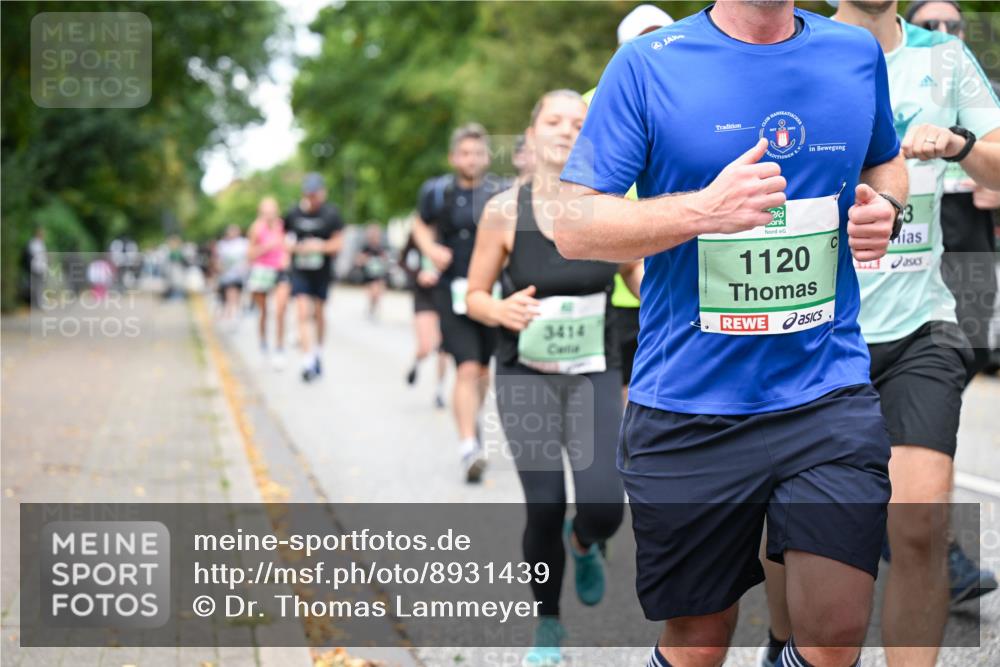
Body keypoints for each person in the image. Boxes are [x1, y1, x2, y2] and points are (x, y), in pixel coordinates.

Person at [555, 2, 908, 666]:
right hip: (690, 402)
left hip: (824, 388)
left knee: (834, 633)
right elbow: (572, 225)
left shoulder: (853, 54)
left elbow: (884, 163)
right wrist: (703, 210)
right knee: (699, 637)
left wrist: (883, 206)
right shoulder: (648, 65)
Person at [756, 3, 1000, 666]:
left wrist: (960, 144)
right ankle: (784, 642)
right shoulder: (790, 45)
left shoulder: (944, 58)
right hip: (808, 329)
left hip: (919, 325)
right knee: (794, 529)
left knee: (919, 523)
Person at [467, 89, 642, 667]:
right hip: (525, 375)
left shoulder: (607, 205)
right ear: (533, 133)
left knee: (604, 505)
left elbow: (638, 272)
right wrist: (501, 310)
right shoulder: (502, 211)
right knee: (543, 503)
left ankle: (584, 541)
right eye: (554, 120)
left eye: (579, 122)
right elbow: (471, 296)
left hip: (595, 369)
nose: (566, 130)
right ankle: (548, 625)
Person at [582, 4, 673, 405]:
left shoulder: (689, 98)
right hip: (616, 277)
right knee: (626, 386)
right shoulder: (590, 104)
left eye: (660, 38)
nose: (654, 49)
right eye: (643, 40)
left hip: (675, 267)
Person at [411, 124, 505, 482]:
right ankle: (468, 447)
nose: (472, 159)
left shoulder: (500, 192)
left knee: (483, 370)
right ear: (454, 157)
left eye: (478, 153)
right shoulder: (437, 193)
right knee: (465, 367)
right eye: (465, 153)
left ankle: (472, 423)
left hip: (492, 294)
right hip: (451, 293)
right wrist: (430, 249)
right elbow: (419, 225)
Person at [285, 173, 346, 382]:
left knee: (319, 314)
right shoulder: (293, 213)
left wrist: (320, 246)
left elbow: (339, 244)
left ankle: (318, 350)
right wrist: (297, 248)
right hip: (301, 271)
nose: (313, 199)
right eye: (309, 194)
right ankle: (307, 360)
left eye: (316, 194)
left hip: (322, 272)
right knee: (302, 313)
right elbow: (284, 241)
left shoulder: (331, 214)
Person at [401, 227, 448, 409]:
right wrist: (418, 275)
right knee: (426, 346)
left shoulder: (449, 229)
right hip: (423, 297)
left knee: (443, 347)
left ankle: (439, 390)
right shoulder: (417, 235)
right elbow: (403, 260)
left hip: (444, 295)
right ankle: (417, 362)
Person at [247, 196, 291, 367]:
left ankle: (280, 348)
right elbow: (249, 254)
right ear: (261, 212)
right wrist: (267, 247)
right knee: (264, 311)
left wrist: (286, 257)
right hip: (262, 272)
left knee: (280, 310)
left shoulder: (283, 226)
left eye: (272, 211)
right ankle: (263, 342)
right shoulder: (256, 228)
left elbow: (288, 246)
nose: (269, 215)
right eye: (266, 212)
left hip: (279, 271)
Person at [215, 224, 249, 328]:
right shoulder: (222, 244)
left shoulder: (243, 243)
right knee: (230, 292)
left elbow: (248, 257)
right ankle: (232, 313)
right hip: (227, 275)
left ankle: (235, 312)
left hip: (240, 274)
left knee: (236, 293)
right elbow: (218, 260)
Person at [355, 223, 390, 320]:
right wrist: (365, 260)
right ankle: (371, 307)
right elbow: (358, 260)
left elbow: (387, 260)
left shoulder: (382, 247)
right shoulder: (366, 248)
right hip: (369, 274)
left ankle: (374, 307)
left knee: (378, 292)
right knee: (372, 293)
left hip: (379, 274)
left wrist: (384, 261)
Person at [21, 227, 48, 308]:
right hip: (36, 267)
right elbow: (36, 256)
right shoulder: (34, 243)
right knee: (36, 286)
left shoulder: (40, 243)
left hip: (41, 267)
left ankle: (38, 303)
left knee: (39, 286)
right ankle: (36, 303)